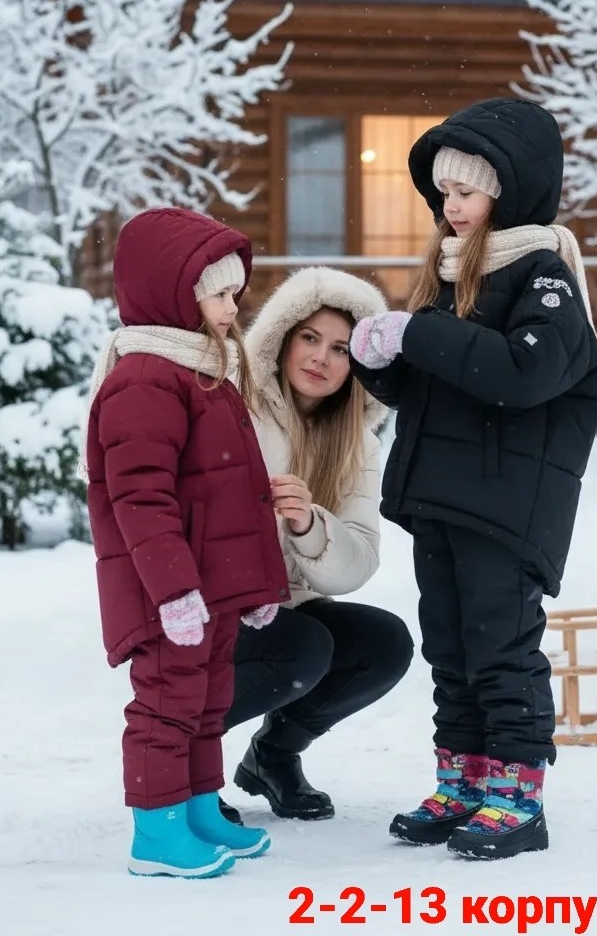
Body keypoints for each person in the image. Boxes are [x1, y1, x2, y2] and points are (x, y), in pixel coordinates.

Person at [348, 98, 597, 861]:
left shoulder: (546, 281)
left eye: (467, 190)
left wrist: (420, 332)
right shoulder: (453, 275)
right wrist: (381, 360)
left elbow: (521, 375)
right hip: (445, 499)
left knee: (500, 646)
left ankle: (517, 793)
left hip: (505, 506)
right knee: (450, 647)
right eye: (444, 193)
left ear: (512, 191)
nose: (450, 206)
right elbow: (443, 390)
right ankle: (463, 778)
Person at [81, 207, 289, 879]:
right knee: (167, 705)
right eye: (221, 294)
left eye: (235, 293)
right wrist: (172, 589)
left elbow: (235, 493)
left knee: (206, 704)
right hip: (173, 589)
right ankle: (157, 830)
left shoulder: (201, 371)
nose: (234, 308)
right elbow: (139, 497)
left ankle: (198, 808)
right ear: (176, 294)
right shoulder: (145, 378)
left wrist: (253, 587)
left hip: (214, 585)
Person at [220, 266, 414, 823]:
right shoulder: (234, 409)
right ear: (282, 337)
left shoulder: (355, 442)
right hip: (216, 604)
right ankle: (188, 761)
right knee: (302, 648)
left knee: (384, 642)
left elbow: (358, 562)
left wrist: (310, 526)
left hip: (286, 605)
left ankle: (273, 756)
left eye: (339, 348)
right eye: (309, 338)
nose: (321, 358)